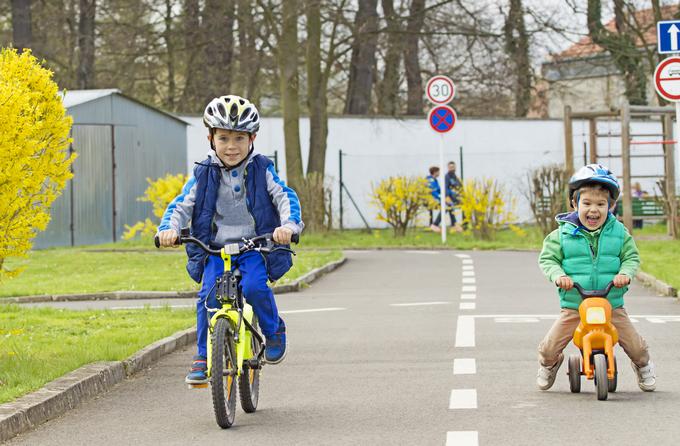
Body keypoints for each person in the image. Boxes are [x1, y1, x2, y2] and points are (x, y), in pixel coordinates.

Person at [156, 95, 304, 384]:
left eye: (239, 138)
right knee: (207, 297)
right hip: (215, 248)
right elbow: (181, 205)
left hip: (253, 246)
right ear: (210, 138)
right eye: (223, 138)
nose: (231, 146)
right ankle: (202, 355)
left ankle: (273, 330)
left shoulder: (262, 168)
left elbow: (284, 196)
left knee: (254, 287)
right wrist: (168, 229)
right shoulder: (203, 172)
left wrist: (289, 225)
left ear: (252, 138)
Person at [536, 163, 655, 392]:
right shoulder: (561, 235)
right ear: (574, 203)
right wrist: (559, 275)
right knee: (549, 348)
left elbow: (631, 257)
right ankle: (550, 364)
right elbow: (548, 259)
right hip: (574, 304)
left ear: (611, 206)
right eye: (587, 203)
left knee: (636, 346)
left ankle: (643, 366)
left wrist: (625, 274)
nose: (594, 210)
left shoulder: (619, 233)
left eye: (601, 204)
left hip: (611, 303)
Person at [444, 161, 462, 229]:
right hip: (450, 198)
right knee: (449, 206)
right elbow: (445, 188)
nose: (452, 168)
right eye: (451, 167)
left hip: (457, 197)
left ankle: (459, 224)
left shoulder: (455, 177)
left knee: (467, 204)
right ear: (448, 168)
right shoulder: (447, 177)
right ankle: (454, 224)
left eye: (453, 167)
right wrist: (447, 197)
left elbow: (460, 187)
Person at [426, 166, 442, 232]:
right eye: (438, 172)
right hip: (430, 200)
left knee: (449, 206)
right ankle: (435, 225)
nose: (439, 173)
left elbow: (439, 190)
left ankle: (454, 224)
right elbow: (433, 192)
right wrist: (441, 198)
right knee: (446, 207)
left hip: (435, 199)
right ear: (435, 172)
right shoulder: (430, 180)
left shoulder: (435, 180)